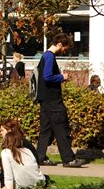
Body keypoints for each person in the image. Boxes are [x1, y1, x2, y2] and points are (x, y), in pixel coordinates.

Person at [36, 33, 85, 168]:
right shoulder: (50, 57)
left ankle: (40, 157)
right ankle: (68, 159)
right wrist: (62, 77)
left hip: (44, 99)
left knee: (46, 130)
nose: (65, 51)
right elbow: (47, 76)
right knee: (61, 128)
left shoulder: (45, 56)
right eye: (65, 48)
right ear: (59, 44)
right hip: (53, 100)